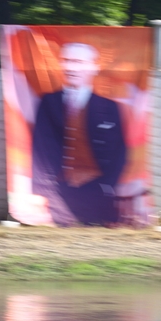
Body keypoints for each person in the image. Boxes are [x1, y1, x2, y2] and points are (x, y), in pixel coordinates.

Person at [31, 42, 127, 227]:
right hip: (57, 190)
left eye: (78, 62)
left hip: (97, 191)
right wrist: (44, 187)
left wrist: (108, 185)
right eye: (66, 61)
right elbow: (40, 146)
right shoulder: (48, 102)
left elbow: (120, 150)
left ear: (94, 68)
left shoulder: (110, 107)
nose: (70, 67)